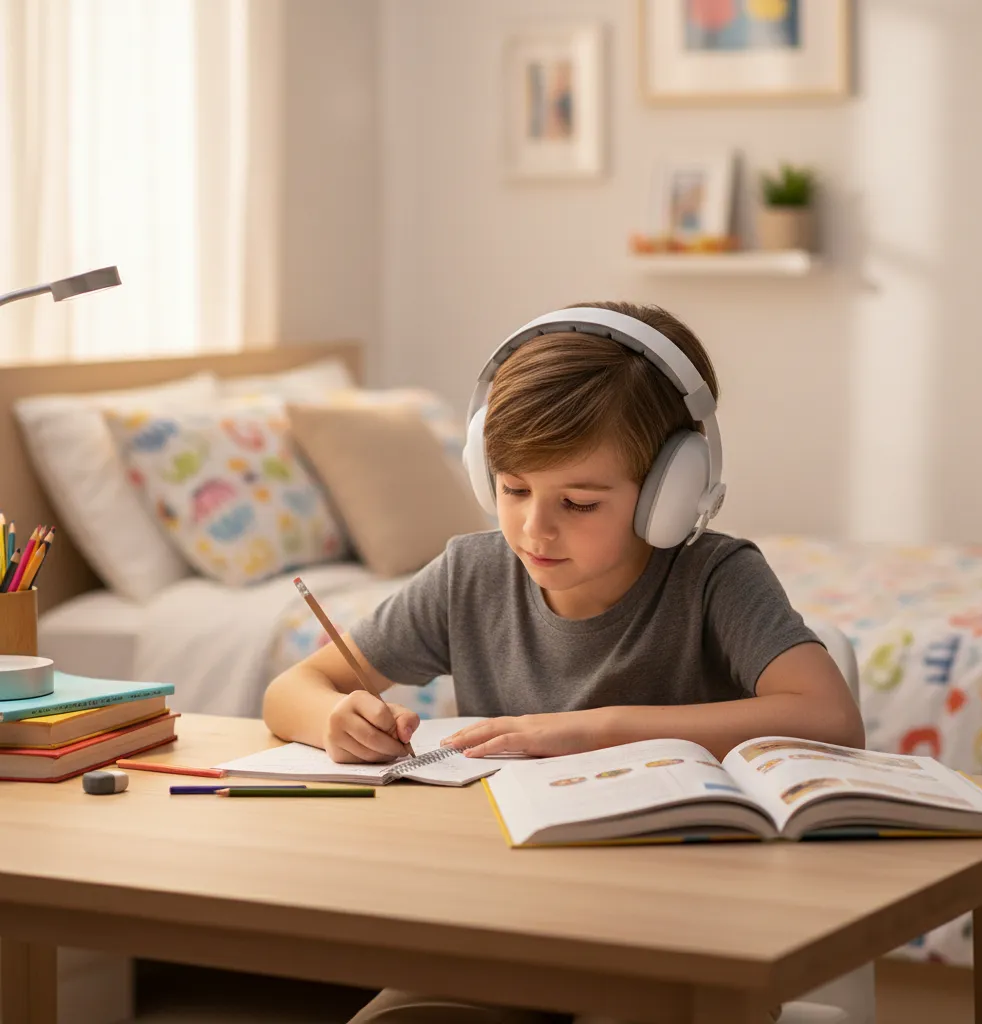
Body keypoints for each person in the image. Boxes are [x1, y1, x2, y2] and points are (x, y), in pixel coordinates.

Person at [262, 300, 865, 1023]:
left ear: (670, 493)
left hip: (682, 937)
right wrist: (335, 716)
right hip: (504, 928)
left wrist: (587, 730)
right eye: (513, 489)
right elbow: (294, 687)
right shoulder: (471, 575)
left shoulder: (716, 579)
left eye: (578, 502)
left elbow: (829, 717)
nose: (533, 528)